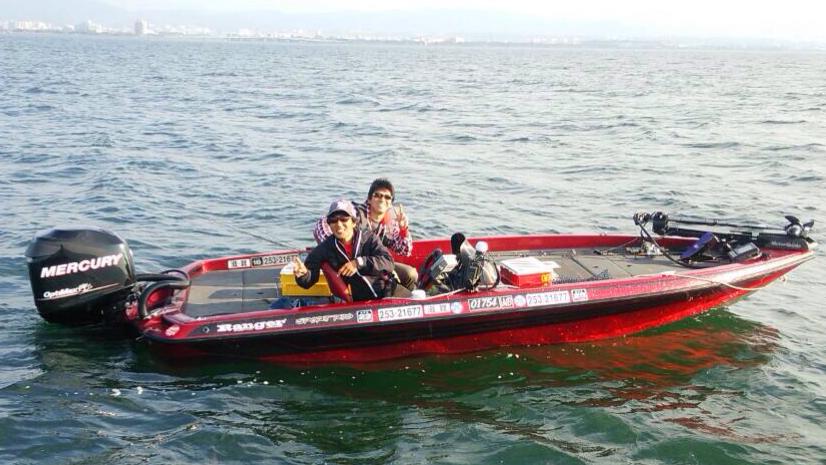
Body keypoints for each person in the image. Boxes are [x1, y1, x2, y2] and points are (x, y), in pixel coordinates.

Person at [294, 199, 411, 301]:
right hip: (360, 302)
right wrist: (302, 275)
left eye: (344, 219)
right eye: (333, 220)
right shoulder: (325, 248)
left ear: (354, 222)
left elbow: (388, 262)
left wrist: (358, 263)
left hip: (388, 291)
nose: (339, 224)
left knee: (416, 298)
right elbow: (308, 280)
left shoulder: (369, 238)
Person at [313, 178, 418, 290]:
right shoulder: (355, 213)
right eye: (377, 195)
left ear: (391, 203)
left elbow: (405, 251)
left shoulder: (390, 223)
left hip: (372, 264)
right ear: (369, 199)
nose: (382, 199)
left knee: (411, 274)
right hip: (351, 265)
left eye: (387, 197)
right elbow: (320, 225)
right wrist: (337, 247)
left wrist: (403, 229)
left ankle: (407, 298)